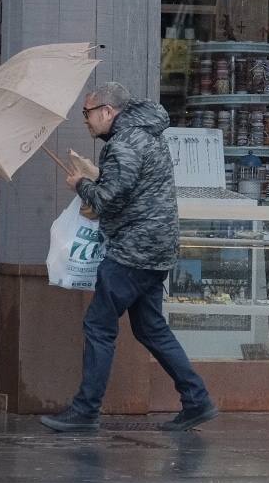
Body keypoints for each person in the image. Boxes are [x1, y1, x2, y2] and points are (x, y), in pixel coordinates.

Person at [40, 82, 217, 433]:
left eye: (88, 113)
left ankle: (86, 409)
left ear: (108, 111)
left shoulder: (124, 143)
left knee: (98, 325)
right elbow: (129, 189)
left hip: (133, 250)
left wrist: (81, 184)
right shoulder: (146, 135)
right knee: (150, 327)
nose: (86, 120)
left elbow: (108, 199)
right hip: (157, 247)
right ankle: (197, 400)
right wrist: (96, 178)